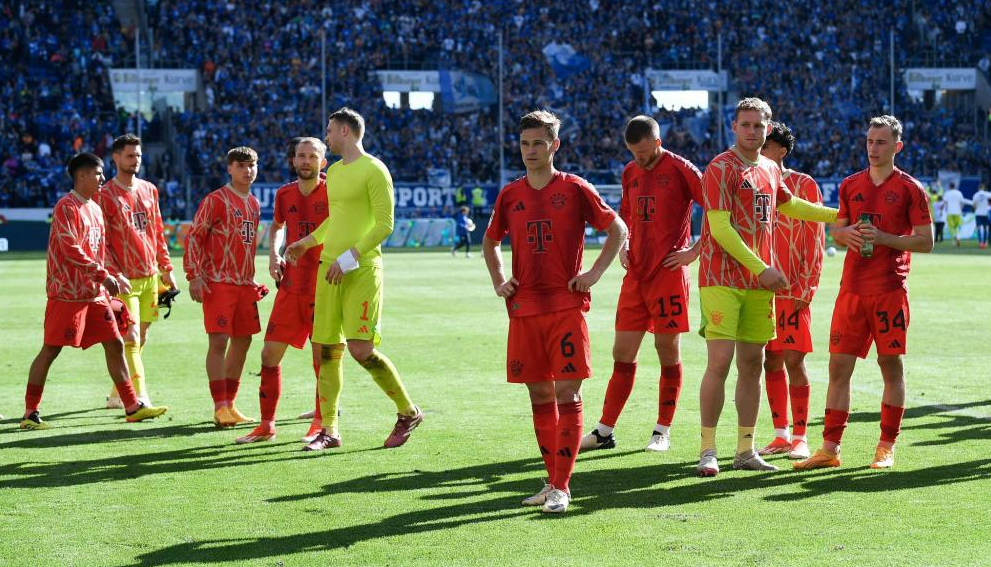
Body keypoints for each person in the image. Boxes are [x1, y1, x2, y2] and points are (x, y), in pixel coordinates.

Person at [482, 110, 627, 513]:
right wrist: (499, 280)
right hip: (524, 310)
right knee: (539, 394)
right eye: (525, 143)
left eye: (539, 143)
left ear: (554, 146)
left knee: (568, 392)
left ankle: (562, 487)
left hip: (565, 307)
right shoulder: (510, 194)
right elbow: (490, 240)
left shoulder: (575, 188)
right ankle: (552, 482)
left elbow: (617, 229)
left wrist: (595, 272)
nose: (530, 151)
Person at [695, 98, 837, 477]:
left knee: (752, 366)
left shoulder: (771, 169)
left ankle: (745, 450)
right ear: (734, 127)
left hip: (758, 285)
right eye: (746, 125)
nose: (752, 131)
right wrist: (762, 268)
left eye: (759, 126)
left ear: (768, 128)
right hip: (722, 279)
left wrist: (841, 216)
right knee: (720, 363)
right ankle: (708, 449)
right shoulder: (720, 168)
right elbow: (721, 229)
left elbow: (794, 207)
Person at [795, 115, 933, 470]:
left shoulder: (910, 189)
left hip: (888, 290)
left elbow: (927, 241)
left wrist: (885, 238)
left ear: (897, 146)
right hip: (851, 291)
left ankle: (886, 446)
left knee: (891, 367)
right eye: (870, 142)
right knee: (838, 368)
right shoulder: (850, 185)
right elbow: (837, 231)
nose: (874, 148)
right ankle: (829, 449)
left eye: (882, 142)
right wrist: (845, 235)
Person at [286, 108, 423, 452]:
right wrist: (307, 242)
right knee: (327, 350)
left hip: (361, 270)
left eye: (330, 131)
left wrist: (350, 257)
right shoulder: (332, 170)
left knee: (361, 350)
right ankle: (329, 430)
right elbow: (337, 219)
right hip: (328, 269)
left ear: (345, 131)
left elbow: (384, 224)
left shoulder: (375, 170)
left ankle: (408, 412)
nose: (327, 136)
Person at [580, 115, 702, 454]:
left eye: (645, 152)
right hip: (636, 276)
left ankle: (662, 430)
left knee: (667, 351)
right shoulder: (630, 172)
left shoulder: (683, 169)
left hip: (668, 274)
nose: (640, 159)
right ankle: (605, 431)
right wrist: (624, 245)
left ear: (658, 142)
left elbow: (719, 210)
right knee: (622, 353)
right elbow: (626, 216)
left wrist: (694, 251)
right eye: (634, 153)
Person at [20, 152, 168, 430]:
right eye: (97, 174)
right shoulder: (66, 206)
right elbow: (69, 248)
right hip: (68, 293)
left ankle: (132, 406)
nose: (102, 178)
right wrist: (104, 275)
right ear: (81, 176)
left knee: (115, 343)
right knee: (50, 350)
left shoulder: (95, 208)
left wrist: (112, 278)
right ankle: (30, 412)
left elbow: (99, 253)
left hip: (95, 293)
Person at [235, 138, 328, 444]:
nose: (305, 161)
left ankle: (320, 420)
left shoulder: (332, 193)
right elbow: (276, 228)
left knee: (322, 359)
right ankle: (266, 425)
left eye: (312, 156)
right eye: (301, 156)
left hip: (323, 287)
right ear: (293, 160)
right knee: (269, 354)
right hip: (290, 287)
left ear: (322, 163)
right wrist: (274, 255)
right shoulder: (283, 193)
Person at [753, 122, 824, 460]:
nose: (758, 149)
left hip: (794, 289)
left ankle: (800, 436)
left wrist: (808, 285)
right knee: (769, 361)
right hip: (761, 290)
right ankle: (779, 434)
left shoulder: (804, 184)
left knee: (795, 361)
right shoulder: (753, 183)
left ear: (780, 150)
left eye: (765, 144)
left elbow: (816, 239)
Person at [184, 147, 264, 428]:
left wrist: (251, 279)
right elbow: (194, 236)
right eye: (241, 165)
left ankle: (230, 403)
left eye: (252, 165)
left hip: (243, 284)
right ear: (229, 168)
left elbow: (246, 246)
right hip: (217, 281)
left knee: (244, 341)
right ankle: (220, 406)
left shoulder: (254, 203)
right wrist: (193, 274)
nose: (248, 170)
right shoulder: (215, 200)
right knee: (219, 341)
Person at [95, 134, 176, 409]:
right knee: (130, 338)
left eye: (138, 155)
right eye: (130, 156)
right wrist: (113, 274)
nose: (135, 160)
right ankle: (139, 396)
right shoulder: (104, 195)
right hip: (124, 279)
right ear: (115, 158)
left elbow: (157, 232)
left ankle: (118, 393)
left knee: (141, 337)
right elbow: (101, 240)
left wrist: (167, 268)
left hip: (150, 275)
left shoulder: (150, 189)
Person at [942, 182, 969, 246]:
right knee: (957, 227)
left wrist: (943, 209)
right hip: (958, 212)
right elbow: (962, 202)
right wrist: (961, 209)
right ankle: (958, 237)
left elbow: (945, 202)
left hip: (950, 212)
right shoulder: (959, 193)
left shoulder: (947, 193)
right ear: (955, 186)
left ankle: (954, 240)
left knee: (951, 227)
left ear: (949, 187)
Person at [971, 184, 990, 249]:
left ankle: (980, 243)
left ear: (978, 188)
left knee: (978, 228)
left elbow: (973, 205)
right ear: (983, 187)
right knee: (985, 228)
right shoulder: (987, 194)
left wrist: (977, 208)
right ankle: (984, 242)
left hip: (978, 213)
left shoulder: (975, 195)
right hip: (985, 213)